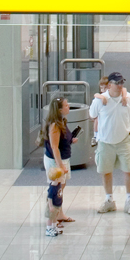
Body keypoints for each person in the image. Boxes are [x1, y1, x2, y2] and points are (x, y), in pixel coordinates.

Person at [89, 73, 130, 214]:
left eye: (121, 83)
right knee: (105, 171)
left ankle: (129, 200)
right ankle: (109, 199)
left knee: (129, 170)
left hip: (124, 140)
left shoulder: (129, 99)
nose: (119, 85)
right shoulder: (100, 100)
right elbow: (92, 115)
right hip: (105, 141)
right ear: (109, 85)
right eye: (116, 83)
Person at [43, 97, 74, 236]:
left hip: (63, 159)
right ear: (60, 109)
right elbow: (55, 147)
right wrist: (61, 166)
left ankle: (57, 216)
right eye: (66, 105)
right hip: (56, 162)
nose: (69, 107)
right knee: (54, 190)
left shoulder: (62, 121)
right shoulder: (54, 125)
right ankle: (51, 221)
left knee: (60, 188)